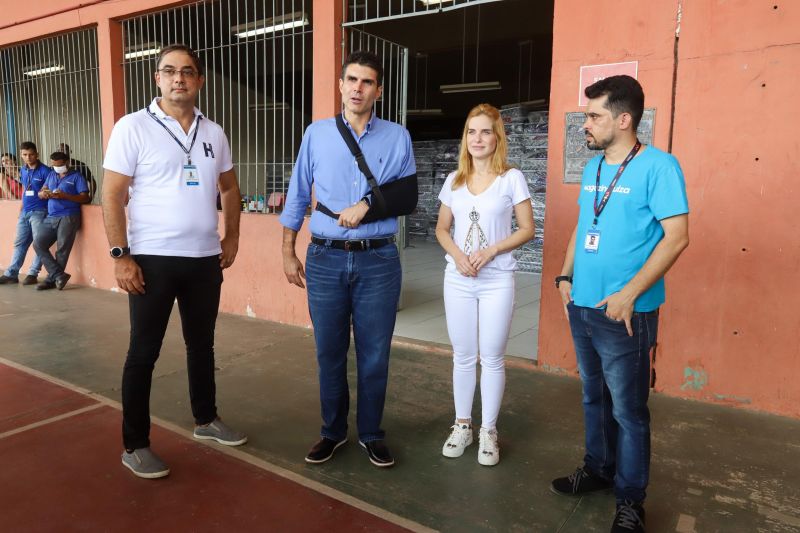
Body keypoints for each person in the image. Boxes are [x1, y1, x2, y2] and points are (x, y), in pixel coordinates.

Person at [550, 75, 689, 533]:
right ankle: (598, 469)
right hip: (584, 306)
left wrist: (629, 294)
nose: (584, 124)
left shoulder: (660, 167)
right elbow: (582, 224)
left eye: (594, 116)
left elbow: (677, 238)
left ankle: (631, 500)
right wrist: (566, 275)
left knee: (629, 411)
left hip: (627, 313)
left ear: (624, 119)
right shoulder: (593, 168)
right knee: (594, 397)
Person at [102, 44, 246, 479]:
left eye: (187, 72)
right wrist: (120, 255)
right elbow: (111, 194)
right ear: (157, 79)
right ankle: (135, 444)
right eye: (169, 71)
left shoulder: (214, 132)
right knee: (142, 352)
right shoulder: (133, 127)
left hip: (204, 259)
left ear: (199, 81)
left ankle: (206, 420)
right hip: (151, 259)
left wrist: (232, 236)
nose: (179, 78)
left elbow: (229, 189)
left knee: (202, 346)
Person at [280, 50, 417, 468]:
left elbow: (407, 195)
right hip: (325, 258)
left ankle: (372, 433)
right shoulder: (317, 134)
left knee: (375, 353)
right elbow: (299, 194)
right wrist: (287, 251)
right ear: (340, 85)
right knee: (329, 351)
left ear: (379, 90)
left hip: (378, 260)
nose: (358, 88)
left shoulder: (397, 137)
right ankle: (332, 432)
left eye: (367, 82)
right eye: (352, 80)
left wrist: (365, 207)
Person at [435, 104, 535, 466]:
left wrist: (491, 250)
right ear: (465, 138)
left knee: (491, 357)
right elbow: (441, 229)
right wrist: (459, 256)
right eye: (471, 132)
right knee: (463, 356)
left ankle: (489, 431)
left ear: (497, 137)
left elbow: (527, 228)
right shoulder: (454, 180)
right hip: (458, 278)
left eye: (485, 132)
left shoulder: (511, 178)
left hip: (496, 280)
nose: (478, 139)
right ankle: (462, 424)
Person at [32, 151, 90, 291]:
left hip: (69, 216)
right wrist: (43, 193)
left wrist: (65, 196)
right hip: (51, 216)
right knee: (38, 244)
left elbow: (85, 198)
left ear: (67, 163)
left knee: (62, 249)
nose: (57, 168)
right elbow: (42, 190)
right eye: (54, 165)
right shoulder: (51, 174)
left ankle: (51, 280)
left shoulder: (77, 176)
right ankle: (59, 275)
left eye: (60, 165)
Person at [0, 143, 49, 285]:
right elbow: (25, 191)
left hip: (40, 212)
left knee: (39, 244)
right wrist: (21, 208)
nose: (28, 157)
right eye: (25, 155)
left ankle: (33, 274)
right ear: (21, 155)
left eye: (31, 154)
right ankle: (11, 274)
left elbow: (50, 191)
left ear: (37, 154)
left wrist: (45, 193)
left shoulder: (46, 171)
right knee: (19, 243)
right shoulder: (23, 170)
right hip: (25, 212)